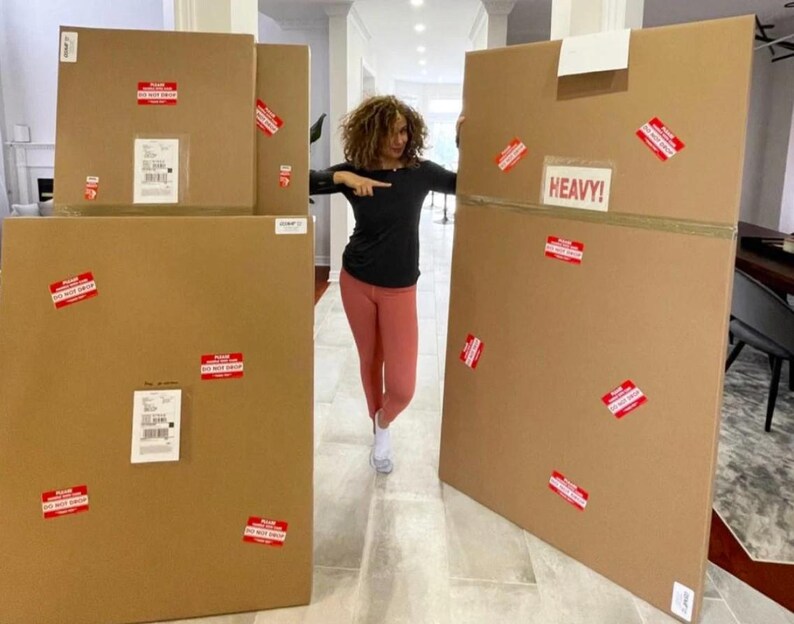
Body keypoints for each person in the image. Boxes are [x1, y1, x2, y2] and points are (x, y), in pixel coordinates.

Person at [310, 95, 461, 474]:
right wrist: (344, 177)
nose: (399, 139)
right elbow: (299, 180)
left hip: (399, 288)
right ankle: (379, 434)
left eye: (404, 130)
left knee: (403, 387)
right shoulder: (356, 171)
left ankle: (384, 418)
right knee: (370, 360)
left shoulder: (420, 172)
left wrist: (463, 142)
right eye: (391, 131)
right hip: (356, 280)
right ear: (372, 132)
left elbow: (462, 184)